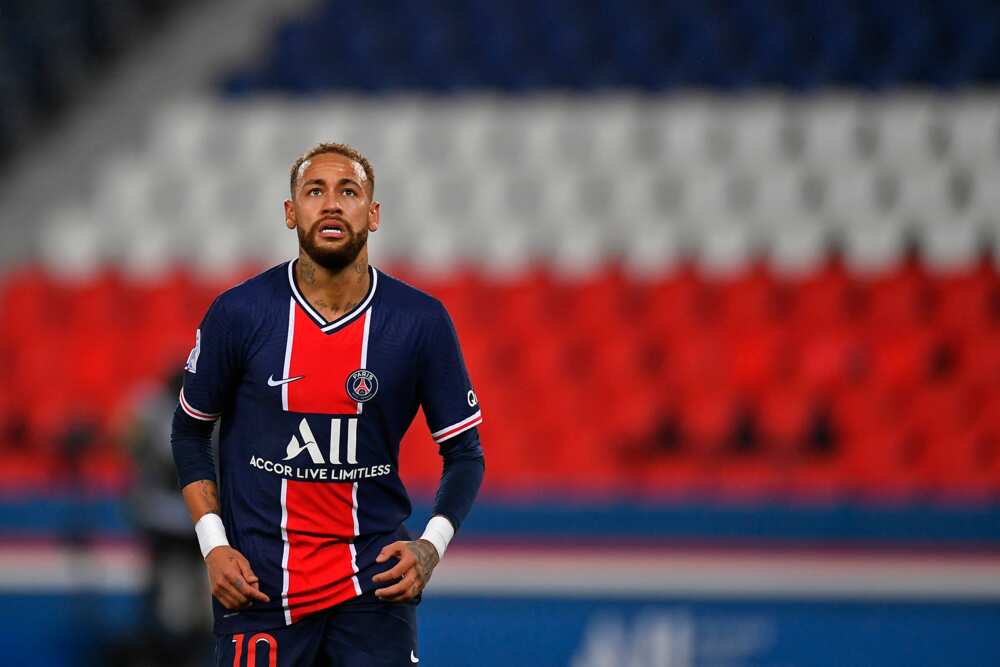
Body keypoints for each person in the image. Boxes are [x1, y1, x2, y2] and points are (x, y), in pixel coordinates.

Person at [170, 142, 485, 666]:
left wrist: (431, 547)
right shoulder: (240, 313)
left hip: (373, 590)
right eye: (315, 191)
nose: (332, 203)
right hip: (259, 587)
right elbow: (188, 431)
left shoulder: (419, 322)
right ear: (291, 212)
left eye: (349, 191)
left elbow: (465, 453)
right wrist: (213, 545)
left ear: (374, 214)